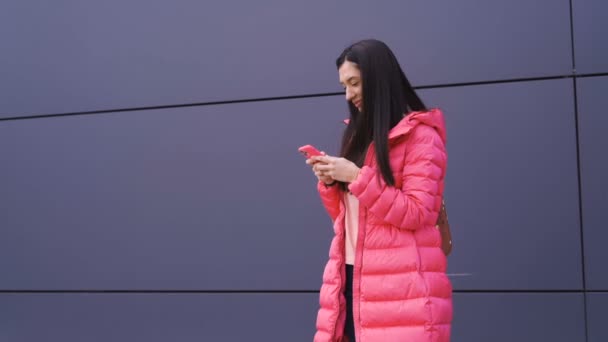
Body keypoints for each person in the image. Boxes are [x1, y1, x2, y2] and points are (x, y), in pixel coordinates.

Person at [305, 39, 453, 341]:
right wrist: (332, 183)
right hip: (347, 278)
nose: (349, 94)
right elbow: (348, 221)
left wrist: (358, 177)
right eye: (344, 86)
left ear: (377, 79)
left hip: (400, 289)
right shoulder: (359, 137)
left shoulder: (421, 137)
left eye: (355, 83)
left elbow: (418, 212)